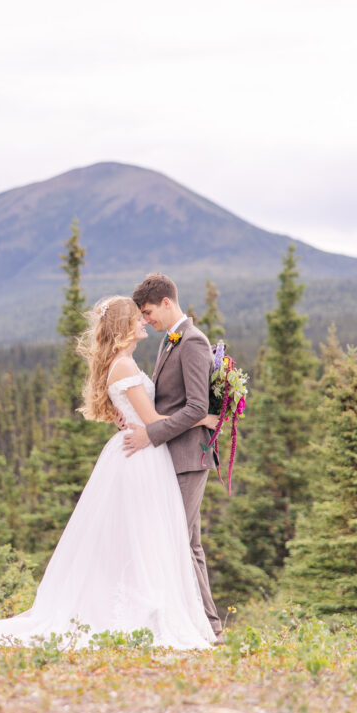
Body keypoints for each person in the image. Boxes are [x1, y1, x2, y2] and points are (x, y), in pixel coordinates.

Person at [0, 296, 217, 649]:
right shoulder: (123, 366)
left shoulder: (127, 363)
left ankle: (155, 607)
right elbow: (151, 422)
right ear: (124, 326)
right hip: (140, 456)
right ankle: (146, 611)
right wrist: (202, 417)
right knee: (144, 538)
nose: (143, 323)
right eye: (137, 319)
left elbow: (139, 412)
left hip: (144, 452)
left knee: (144, 538)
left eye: (145, 316)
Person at [123, 273, 223, 641]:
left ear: (167, 302)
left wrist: (149, 433)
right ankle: (207, 626)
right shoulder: (170, 340)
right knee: (186, 541)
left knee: (181, 541)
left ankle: (207, 627)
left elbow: (197, 405)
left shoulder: (193, 342)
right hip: (172, 454)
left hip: (188, 454)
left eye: (148, 312)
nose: (146, 319)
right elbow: (171, 402)